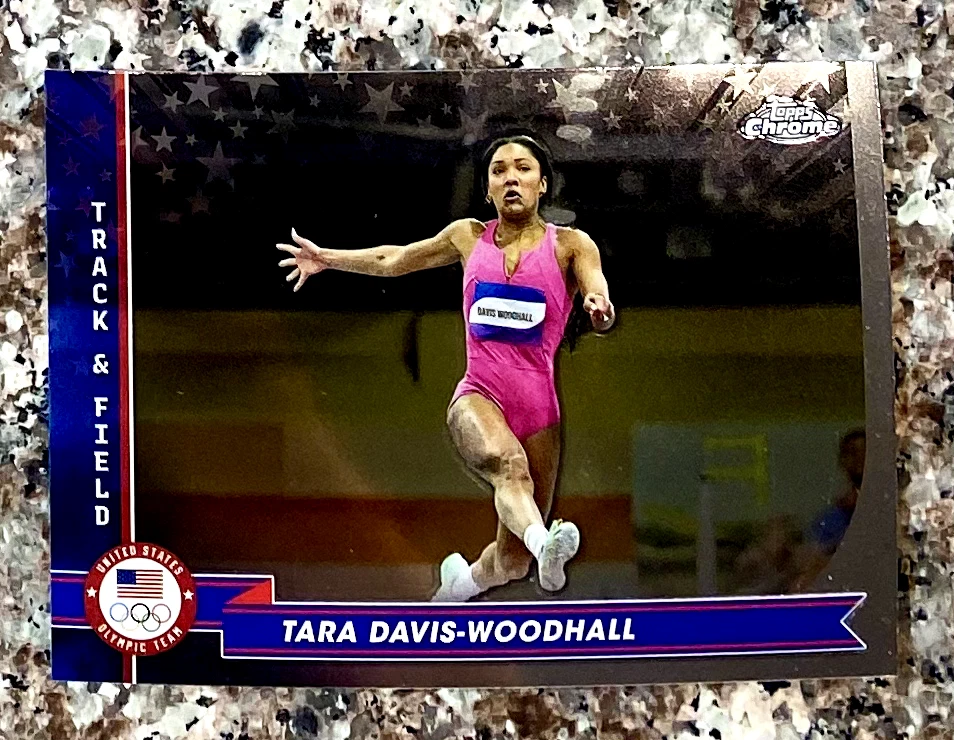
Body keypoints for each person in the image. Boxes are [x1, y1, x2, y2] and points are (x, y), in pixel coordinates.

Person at [277, 134, 614, 601]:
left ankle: (460, 585)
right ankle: (547, 547)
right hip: (479, 395)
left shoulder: (571, 245)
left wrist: (599, 307)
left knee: (512, 563)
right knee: (510, 468)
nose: (511, 178)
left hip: (540, 411)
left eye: (522, 169)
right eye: (499, 171)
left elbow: (597, 289)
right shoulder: (467, 236)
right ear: (488, 190)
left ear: (542, 185)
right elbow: (394, 259)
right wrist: (327, 259)